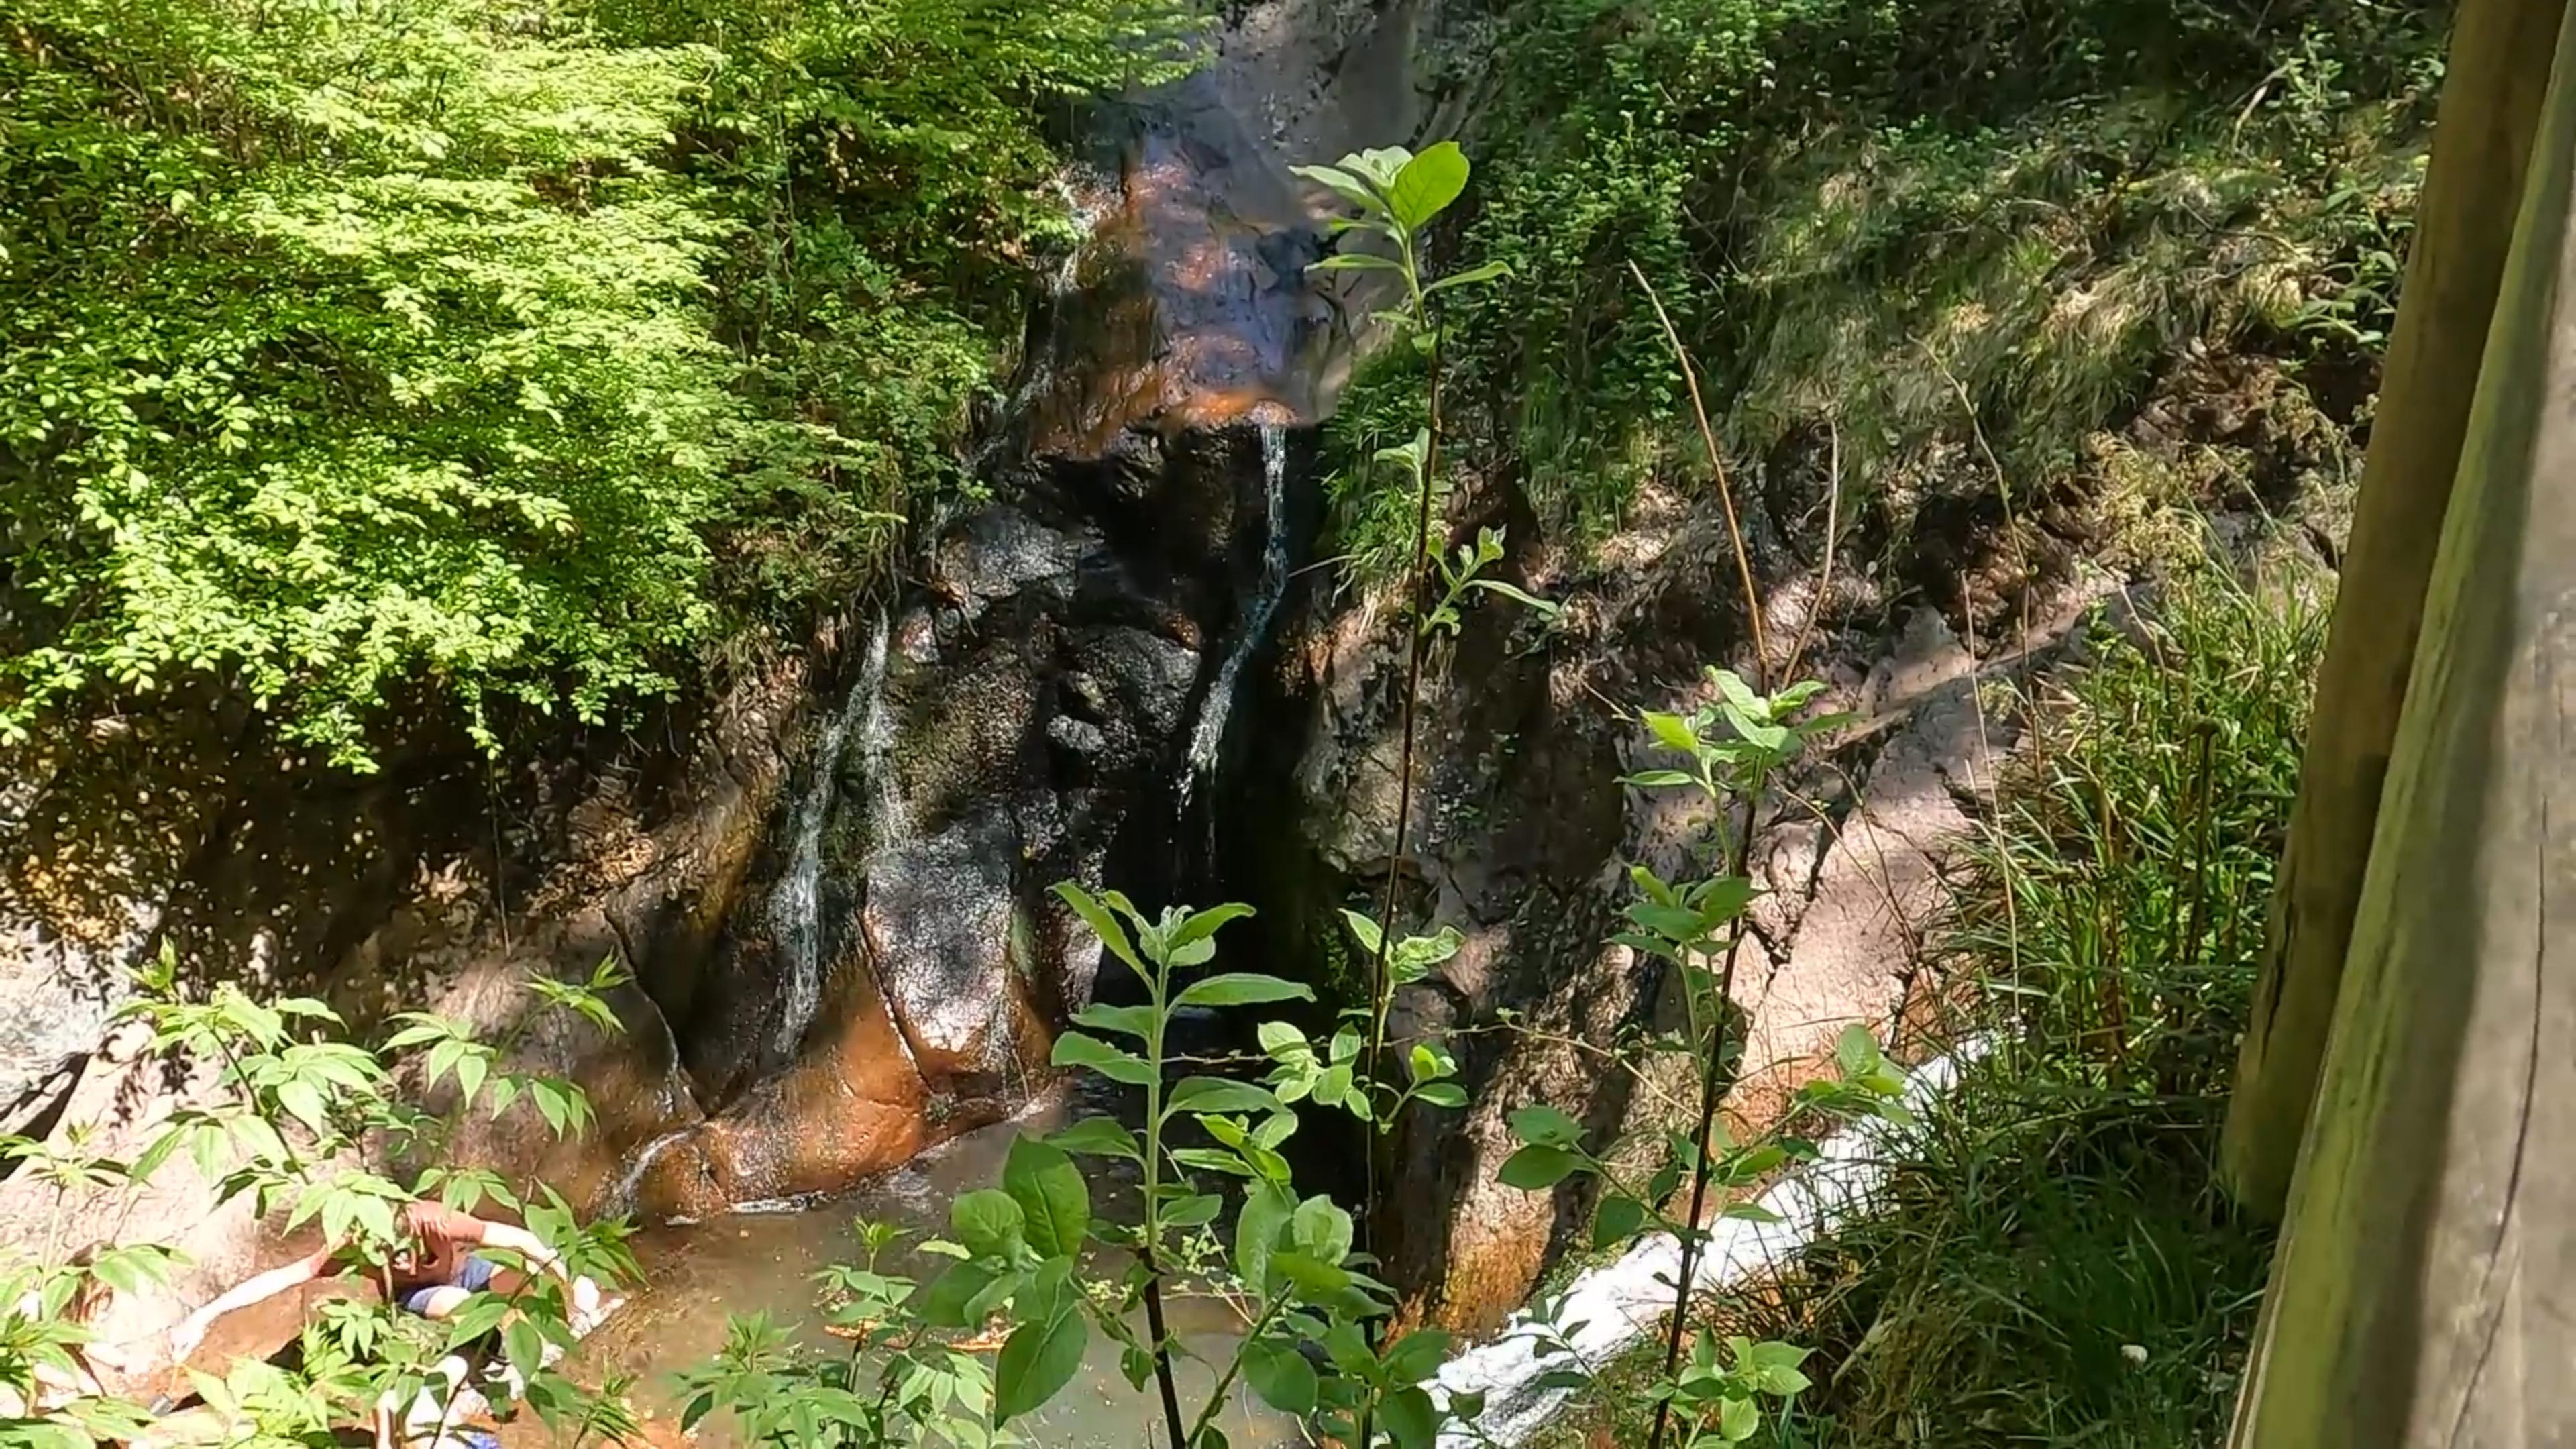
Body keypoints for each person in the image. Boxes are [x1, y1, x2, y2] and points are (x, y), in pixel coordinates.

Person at [167, 1199, 611, 1363]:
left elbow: (517, 1238)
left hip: (469, 1269)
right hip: (418, 1295)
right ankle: (490, 1352)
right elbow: (283, 1277)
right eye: (385, 1251)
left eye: (400, 1245)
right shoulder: (355, 1244)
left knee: (527, 1277)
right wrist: (204, 1316)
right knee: (461, 1304)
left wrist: (575, 1277)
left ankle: (560, 1329)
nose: (397, 1256)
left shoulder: (434, 1218)